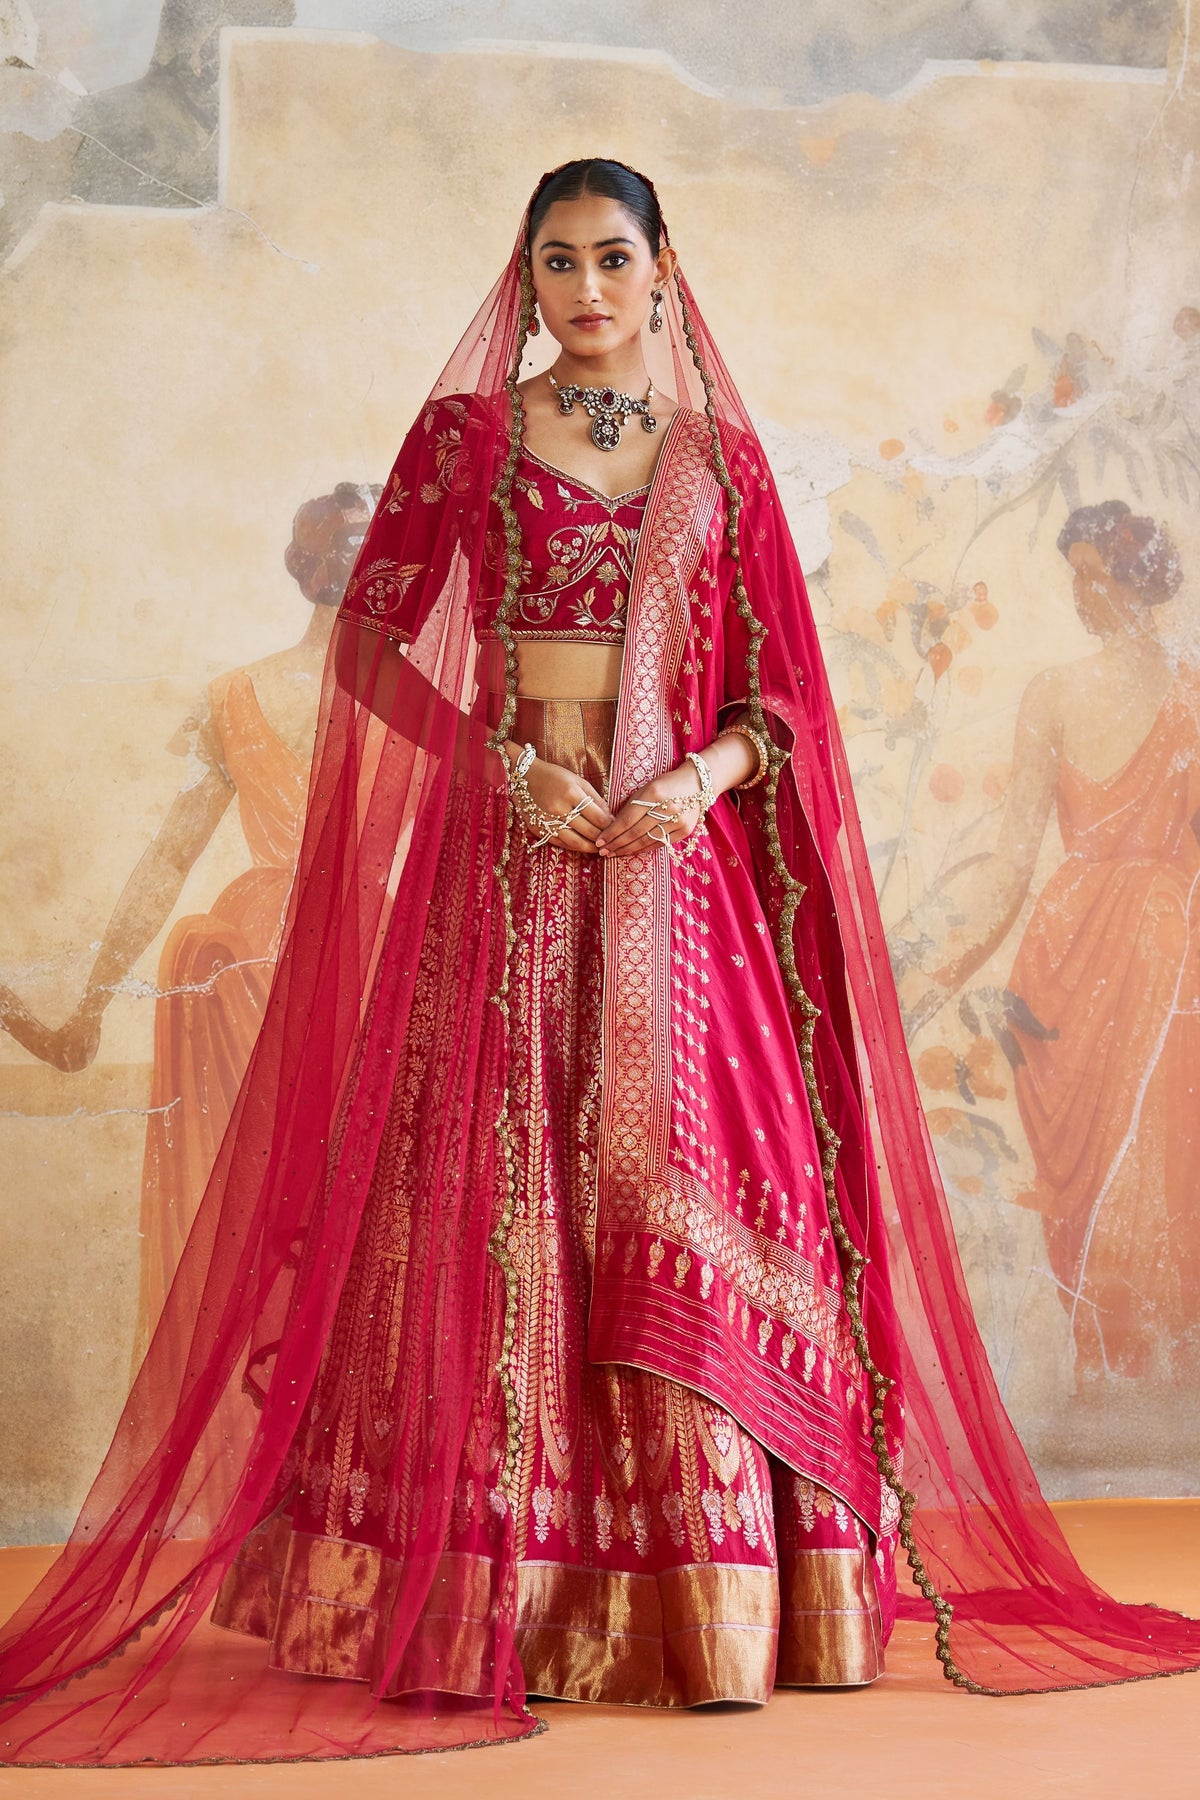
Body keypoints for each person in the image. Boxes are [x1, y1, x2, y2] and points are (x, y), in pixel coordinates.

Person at [2, 159, 1199, 1770]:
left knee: (689, 1173)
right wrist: (506, 766)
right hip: (509, 852)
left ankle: (720, 1592)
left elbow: (783, 702)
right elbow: (371, 638)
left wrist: (694, 787)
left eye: (610, 258)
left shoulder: (722, 465)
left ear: (660, 270)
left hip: (670, 868)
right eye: (554, 260)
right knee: (488, 1194)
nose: (583, 287)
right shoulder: (469, 441)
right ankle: (475, 1586)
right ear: (531, 275)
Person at [0, 482, 379, 1372]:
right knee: (280, 1202)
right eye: (342, 542)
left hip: (370, 950)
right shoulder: (236, 696)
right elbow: (167, 859)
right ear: (303, 565)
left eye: (373, 542)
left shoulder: (425, 689)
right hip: (259, 963)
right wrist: (88, 1008)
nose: (356, 561)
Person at [903, 501, 1200, 1383]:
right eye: (1072, 574)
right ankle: (1101, 1384)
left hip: (1167, 957)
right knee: (1078, 1180)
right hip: (1068, 961)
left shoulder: (1190, 691)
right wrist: (939, 972)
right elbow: (1007, 870)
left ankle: (1155, 1391)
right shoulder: (1056, 691)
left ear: (1135, 582)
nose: (1080, 595)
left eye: (1093, 575)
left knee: (1167, 1150)